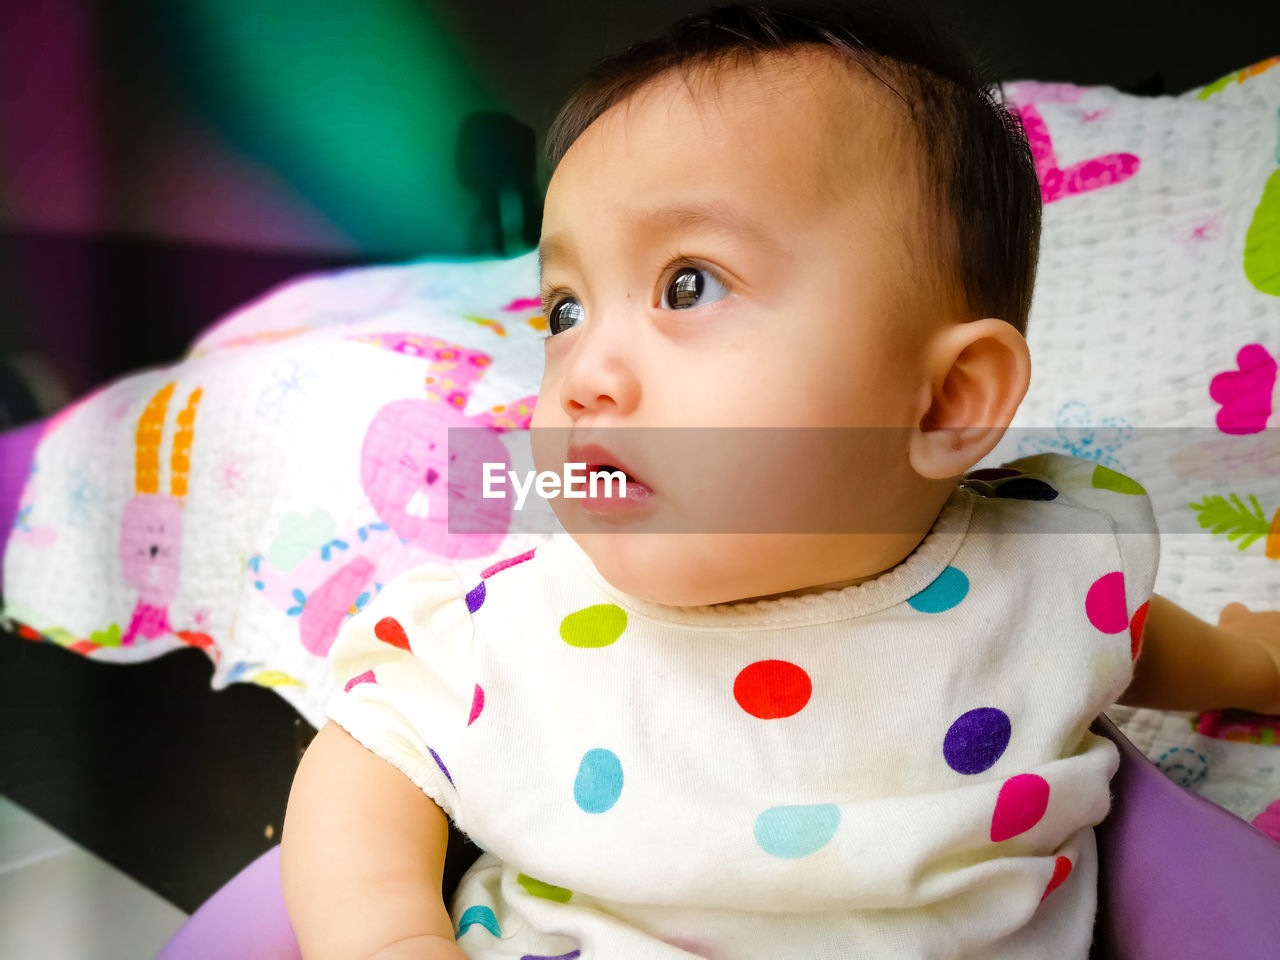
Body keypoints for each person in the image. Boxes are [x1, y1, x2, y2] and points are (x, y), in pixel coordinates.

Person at [280, 4, 1280, 957]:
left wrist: (1248, 668)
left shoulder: (1045, 559)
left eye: (687, 284)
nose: (584, 376)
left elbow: (1114, 631)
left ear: (943, 401)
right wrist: (389, 935)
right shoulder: (524, 618)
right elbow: (371, 748)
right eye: (564, 310)